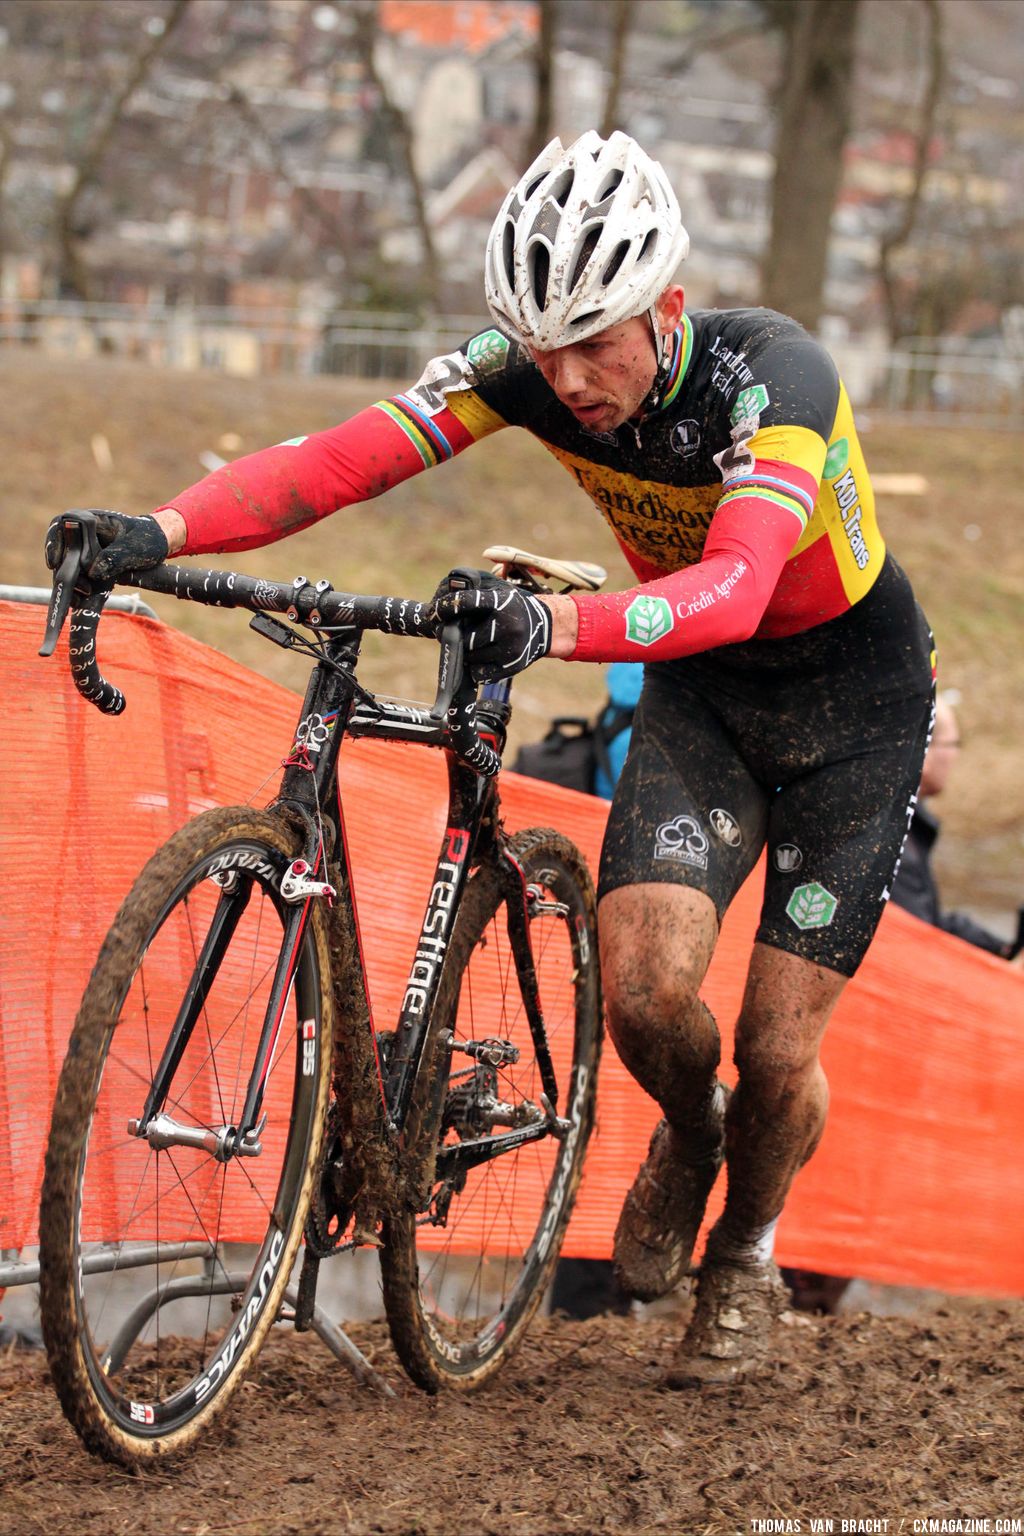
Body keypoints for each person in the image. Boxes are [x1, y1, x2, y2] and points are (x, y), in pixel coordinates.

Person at [53, 130, 935, 1386]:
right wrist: (155, 528)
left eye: (594, 341)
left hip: (857, 701)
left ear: (665, 308)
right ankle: (690, 1136)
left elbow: (737, 585)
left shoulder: (771, 379)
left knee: (779, 1047)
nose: (566, 379)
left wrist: (555, 623)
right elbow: (342, 459)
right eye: (542, 348)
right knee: (640, 990)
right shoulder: (525, 366)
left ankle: (743, 1253)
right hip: (708, 698)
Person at [891, 696, 1021, 962]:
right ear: (924, 750)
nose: (956, 755)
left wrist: (1000, 949)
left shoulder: (909, 823)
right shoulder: (895, 840)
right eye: (953, 744)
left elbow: (931, 920)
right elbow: (916, 940)